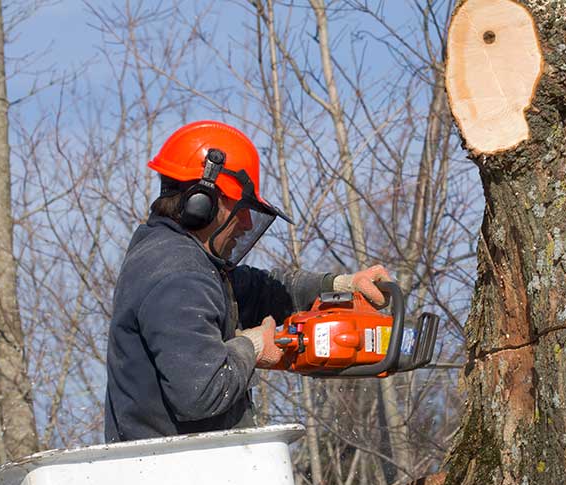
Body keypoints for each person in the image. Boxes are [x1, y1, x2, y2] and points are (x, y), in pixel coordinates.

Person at [104, 120, 390, 442]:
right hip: (174, 478)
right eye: (240, 207)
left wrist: (341, 286)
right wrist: (252, 347)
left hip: (181, 470)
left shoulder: (177, 259)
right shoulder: (178, 276)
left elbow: (258, 291)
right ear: (203, 202)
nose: (247, 222)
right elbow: (202, 391)